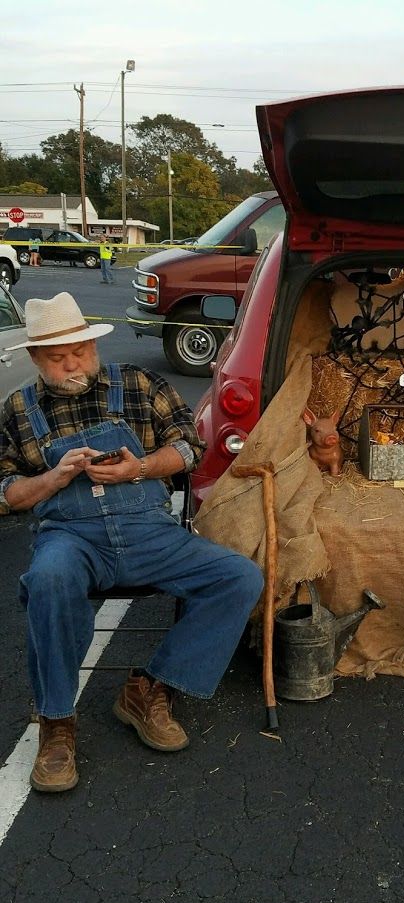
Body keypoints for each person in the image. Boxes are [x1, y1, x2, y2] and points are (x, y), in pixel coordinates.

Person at [0, 292, 264, 793]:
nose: (73, 362)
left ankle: (149, 686)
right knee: (48, 579)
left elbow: (191, 445)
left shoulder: (139, 383)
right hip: (73, 538)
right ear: (35, 358)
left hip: (149, 531)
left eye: (79, 350)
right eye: (57, 357)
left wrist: (139, 467)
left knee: (239, 577)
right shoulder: (18, 410)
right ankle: (57, 723)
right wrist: (53, 479)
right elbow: (6, 493)